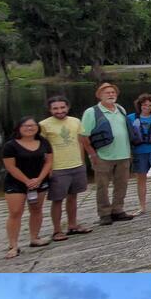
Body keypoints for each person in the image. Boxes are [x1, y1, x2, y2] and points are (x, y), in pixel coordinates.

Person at [39, 96, 93, 243]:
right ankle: (57, 230)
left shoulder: (75, 121)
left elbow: (80, 142)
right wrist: (46, 169)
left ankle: (72, 225)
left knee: (73, 197)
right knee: (57, 200)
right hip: (57, 168)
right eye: (55, 108)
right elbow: (41, 149)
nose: (59, 111)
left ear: (67, 107)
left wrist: (82, 162)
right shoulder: (44, 125)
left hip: (76, 165)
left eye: (62, 107)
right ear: (50, 110)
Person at [79, 82, 134, 226]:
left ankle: (118, 210)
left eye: (113, 93)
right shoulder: (92, 112)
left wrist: (129, 152)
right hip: (103, 156)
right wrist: (92, 154)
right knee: (102, 186)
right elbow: (84, 136)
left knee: (121, 184)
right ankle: (104, 213)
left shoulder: (121, 109)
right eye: (107, 93)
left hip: (123, 155)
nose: (111, 95)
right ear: (99, 95)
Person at [1, 116, 53, 259]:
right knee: (15, 212)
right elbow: (10, 167)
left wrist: (40, 179)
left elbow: (49, 162)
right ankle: (13, 245)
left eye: (32, 125)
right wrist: (27, 181)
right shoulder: (10, 145)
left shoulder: (43, 142)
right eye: (25, 126)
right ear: (18, 128)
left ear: (37, 127)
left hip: (39, 181)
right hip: (16, 183)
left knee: (36, 209)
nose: (29, 128)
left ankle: (35, 238)